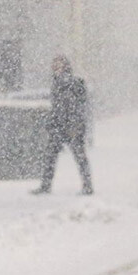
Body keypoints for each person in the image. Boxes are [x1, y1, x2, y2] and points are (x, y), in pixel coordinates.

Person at [33, 55, 93, 196]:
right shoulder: (61, 82)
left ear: (65, 66)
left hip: (68, 127)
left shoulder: (67, 82)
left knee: (63, 156)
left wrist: (72, 124)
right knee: (62, 156)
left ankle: (47, 186)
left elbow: (72, 107)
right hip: (62, 126)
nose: (55, 67)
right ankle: (86, 185)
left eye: (58, 64)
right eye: (54, 64)